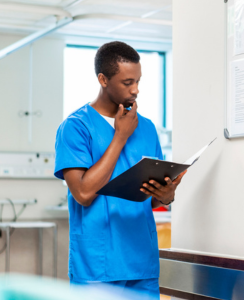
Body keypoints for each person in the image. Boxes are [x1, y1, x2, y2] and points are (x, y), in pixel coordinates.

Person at [54, 41, 186, 299]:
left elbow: (153, 198)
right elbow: (82, 192)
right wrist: (120, 137)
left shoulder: (147, 128)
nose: (135, 89)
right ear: (103, 79)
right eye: (127, 83)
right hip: (97, 267)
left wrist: (167, 194)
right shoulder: (75, 127)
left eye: (138, 81)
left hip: (142, 263)